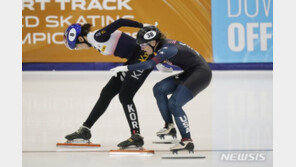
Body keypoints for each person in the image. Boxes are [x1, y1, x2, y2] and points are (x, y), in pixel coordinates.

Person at [63, 19, 172, 149]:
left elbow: (119, 22)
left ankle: (136, 136)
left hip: (142, 58)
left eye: (76, 46)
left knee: (125, 97)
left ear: (81, 39)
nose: (77, 49)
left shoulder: (98, 36)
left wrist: (142, 26)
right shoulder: (94, 42)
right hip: (133, 60)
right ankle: (85, 129)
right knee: (107, 92)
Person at [110, 26, 212, 153]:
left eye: (143, 45)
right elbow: (156, 57)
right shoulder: (159, 46)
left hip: (201, 75)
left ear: (152, 42)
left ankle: (187, 141)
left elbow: (148, 64)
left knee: (174, 104)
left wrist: (124, 68)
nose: (141, 48)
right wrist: (160, 64)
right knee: (159, 89)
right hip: (191, 72)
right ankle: (169, 126)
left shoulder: (167, 49)